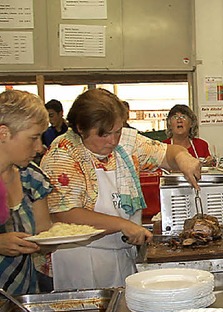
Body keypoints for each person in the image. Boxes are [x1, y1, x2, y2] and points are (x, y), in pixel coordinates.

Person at [41, 88, 202, 291]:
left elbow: (168, 153)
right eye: (104, 134)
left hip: (121, 253)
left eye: (116, 131)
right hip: (80, 259)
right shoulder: (63, 153)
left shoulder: (127, 141)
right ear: (81, 128)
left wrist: (183, 158)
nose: (113, 141)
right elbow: (64, 213)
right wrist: (121, 224)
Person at [0, 90, 54, 295]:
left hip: (23, 297)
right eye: (33, 138)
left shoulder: (32, 178)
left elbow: (43, 234)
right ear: (3, 133)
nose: (40, 147)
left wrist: (51, 240)